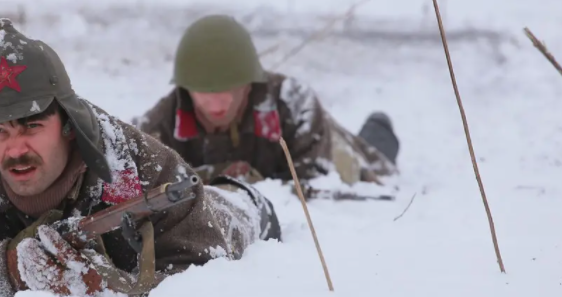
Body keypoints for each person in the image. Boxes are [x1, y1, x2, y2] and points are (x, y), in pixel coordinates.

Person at [0, 18, 280, 297]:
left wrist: (108, 289)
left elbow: (208, 279)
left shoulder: (143, 168)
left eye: (32, 125)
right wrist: (8, 268)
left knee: (237, 204)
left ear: (68, 124)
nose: (15, 148)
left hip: (235, 212)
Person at [133, 14, 400, 187]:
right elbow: (122, 164)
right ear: (186, 89)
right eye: (204, 93)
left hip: (327, 144)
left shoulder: (294, 104)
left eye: (229, 91)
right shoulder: (161, 124)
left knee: (366, 168)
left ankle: (379, 128)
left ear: (250, 85)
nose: (216, 105)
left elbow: (317, 189)